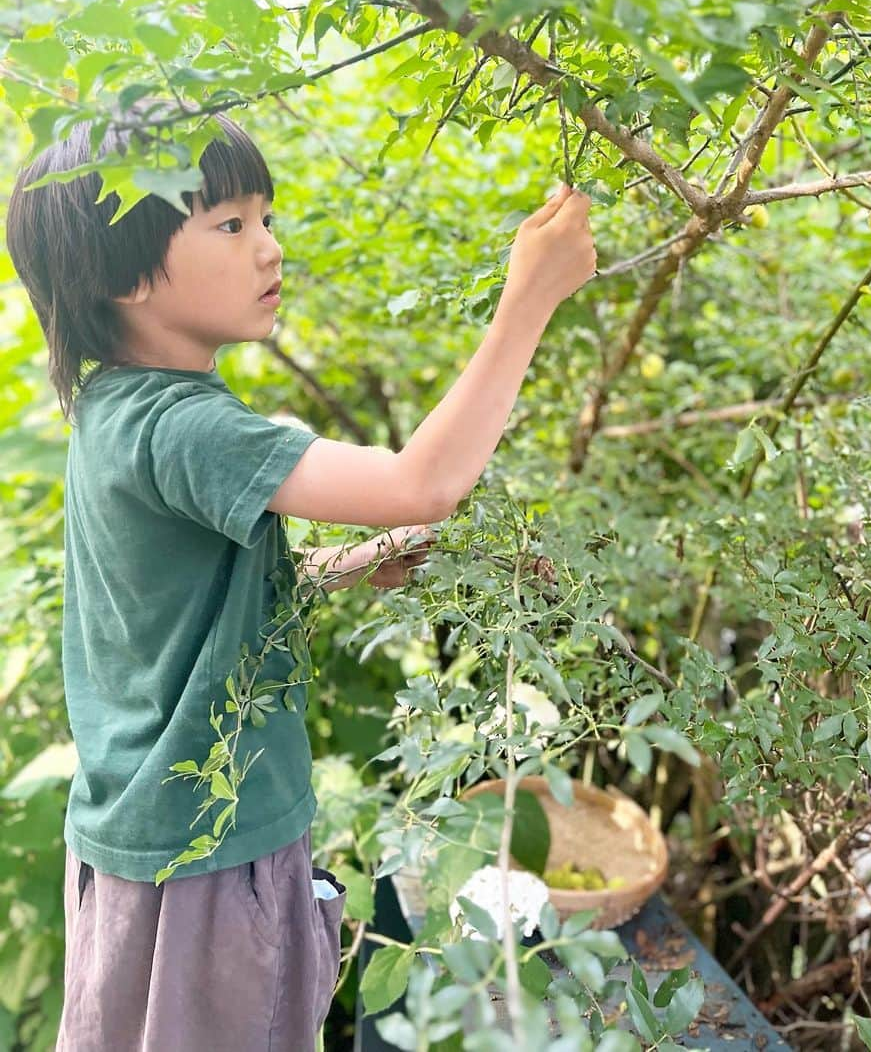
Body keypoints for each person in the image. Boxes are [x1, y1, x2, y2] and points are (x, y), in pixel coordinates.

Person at [5, 107, 596, 1052]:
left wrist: (339, 565)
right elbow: (422, 483)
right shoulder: (189, 427)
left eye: (266, 218)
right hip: (208, 864)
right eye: (231, 225)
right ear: (119, 270)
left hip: (139, 851)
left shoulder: (114, 412)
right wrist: (531, 297)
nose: (270, 248)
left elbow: (171, 612)